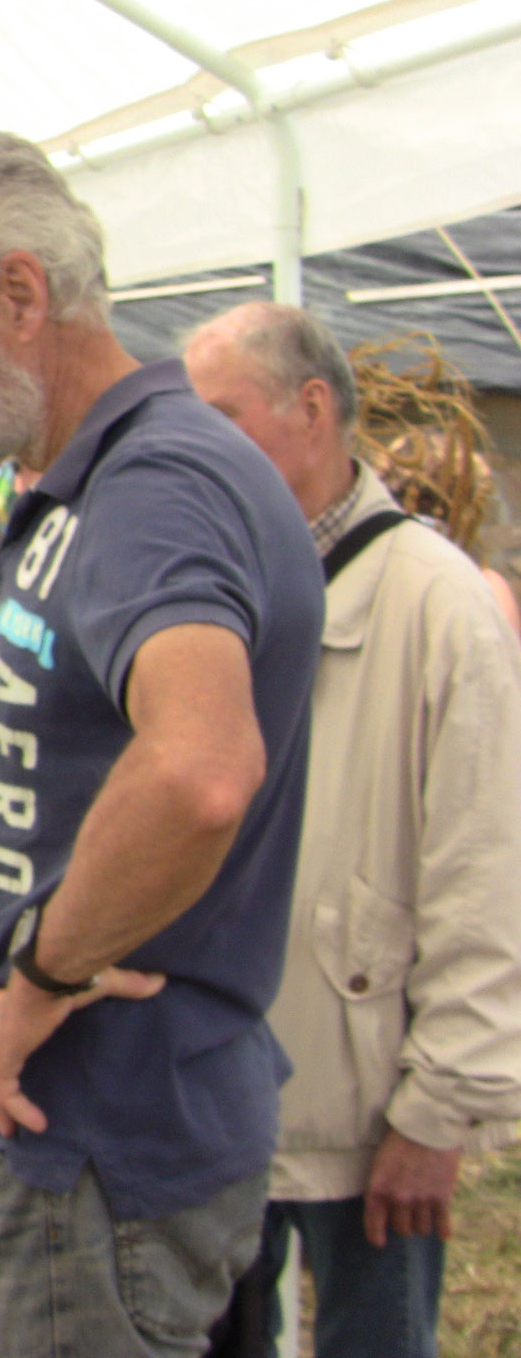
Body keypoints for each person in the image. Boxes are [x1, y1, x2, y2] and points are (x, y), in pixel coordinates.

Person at [0, 120, 323, 1357]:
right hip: (71, 1134)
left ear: (17, 294)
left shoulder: (153, 481)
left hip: (100, 1131)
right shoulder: (82, 476)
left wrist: (41, 980)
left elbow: (199, 766)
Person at [183, 303, 521, 1358]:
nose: (195, 446)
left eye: (221, 416)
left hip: (363, 1099)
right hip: (220, 1078)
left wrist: (439, 1107)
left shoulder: (438, 603)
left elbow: (487, 865)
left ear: (312, 408)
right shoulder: (218, 574)